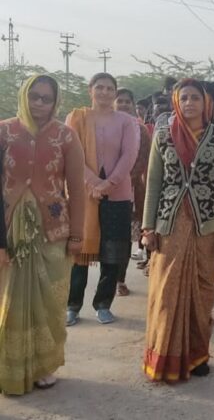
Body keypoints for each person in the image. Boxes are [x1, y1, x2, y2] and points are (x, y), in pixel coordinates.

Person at [142, 78, 214, 383]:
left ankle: (197, 356)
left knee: (201, 291)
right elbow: (153, 183)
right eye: (184, 98)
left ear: (206, 103)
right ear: (176, 102)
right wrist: (147, 227)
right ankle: (164, 356)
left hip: (206, 225)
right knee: (167, 290)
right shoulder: (163, 135)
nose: (189, 103)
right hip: (168, 224)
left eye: (195, 97)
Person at [0, 75, 85, 395]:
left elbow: (77, 188)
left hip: (54, 230)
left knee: (50, 299)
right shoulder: (4, 131)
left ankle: (44, 366)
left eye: (46, 98)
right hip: (8, 230)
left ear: (55, 102)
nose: (39, 103)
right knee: (8, 300)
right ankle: (9, 367)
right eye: (34, 96)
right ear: (24, 95)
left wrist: (77, 235)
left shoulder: (66, 136)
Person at [65, 73, 140, 326]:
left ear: (115, 93)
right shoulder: (76, 118)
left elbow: (130, 155)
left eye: (110, 88)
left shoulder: (127, 121)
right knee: (78, 250)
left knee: (113, 252)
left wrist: (108, 184)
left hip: (118, 194)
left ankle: (103, 304)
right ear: (90, 90)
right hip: (83, 194)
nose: (105, 92)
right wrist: (93, 183)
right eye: (100, 87)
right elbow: (72, 154)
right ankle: (73, 306)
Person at [113, 88, 152, 296]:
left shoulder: (141, 130)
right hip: (103, 189)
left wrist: (121, 179)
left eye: (128, 101)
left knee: (124, 238)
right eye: (120, 100)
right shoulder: (103, 126)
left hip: (131, 189)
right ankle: (107, 279)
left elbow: (143, 159)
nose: (124, 104)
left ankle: (120, 280)